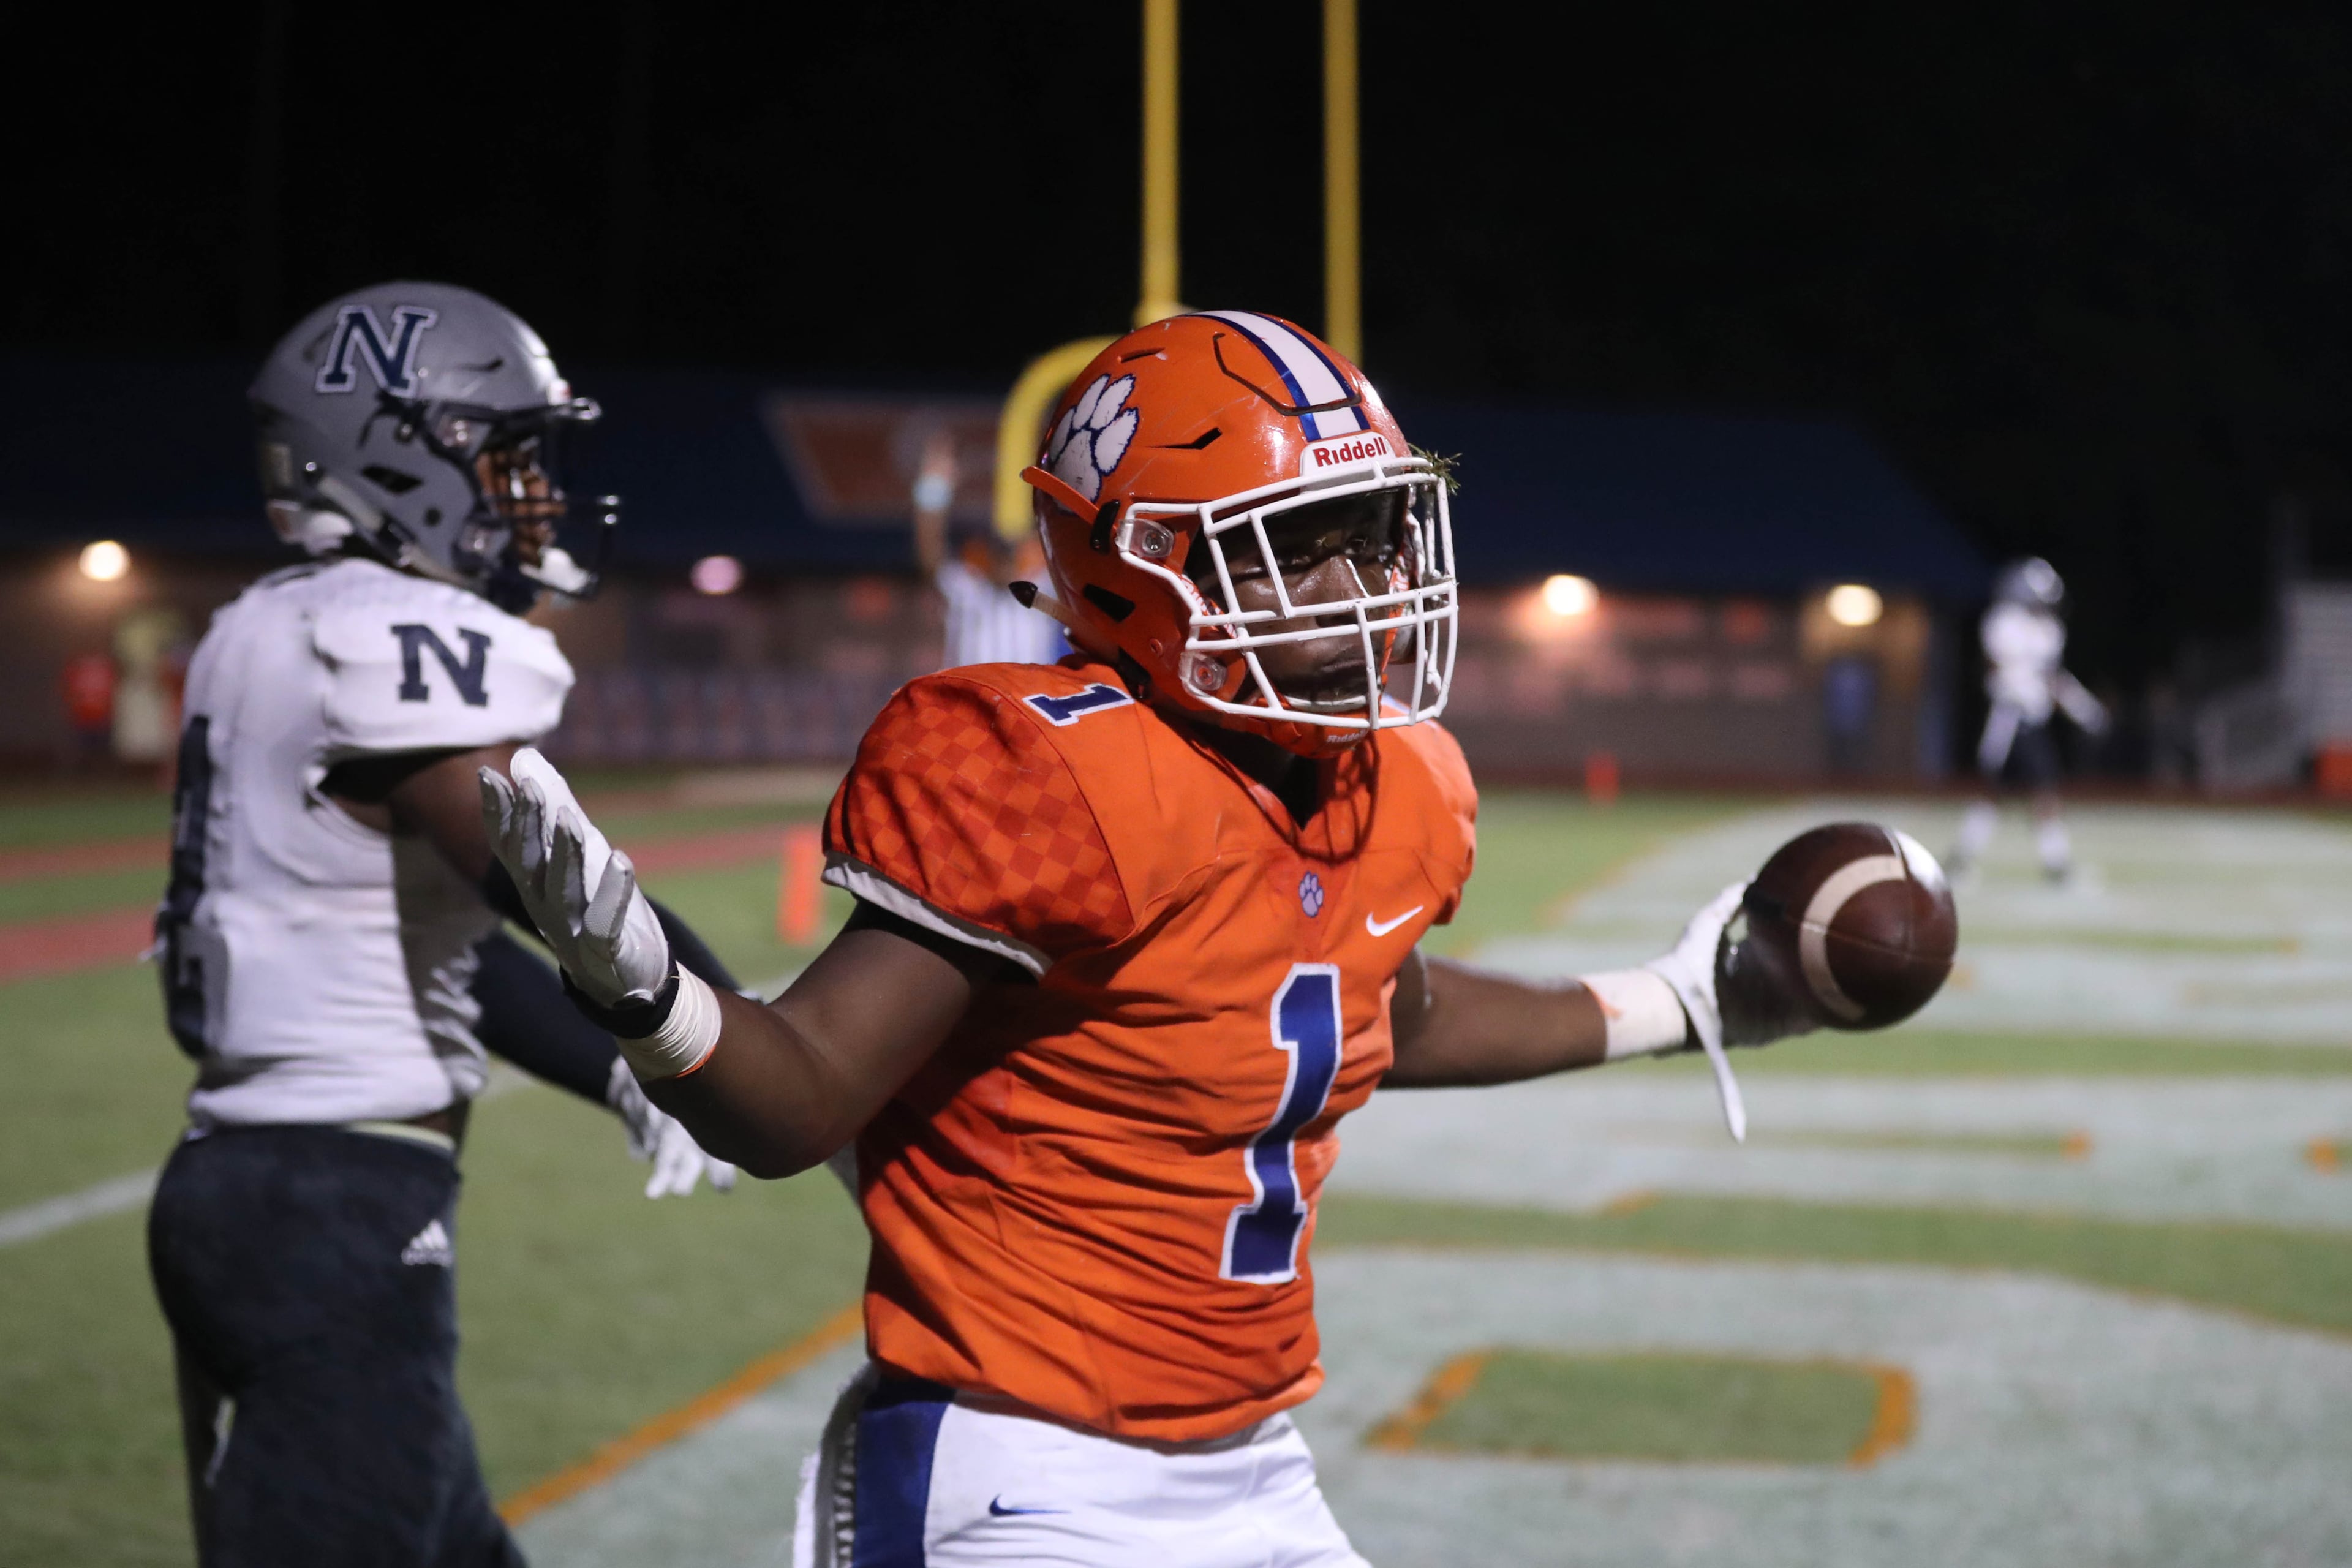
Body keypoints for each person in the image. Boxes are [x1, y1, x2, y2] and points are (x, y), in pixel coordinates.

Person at [481, 312, 1820, 1567]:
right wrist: (648, 988)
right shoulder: (1051, 772)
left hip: (1258, 1460)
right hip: (1026, 1471)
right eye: (1296, 545)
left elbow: (1383, 1012)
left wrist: (1675, 998)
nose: (1361, 589)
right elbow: (802, 1098)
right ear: (1132, 571)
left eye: (1371, 530)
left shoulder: (1396, 782)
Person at [146, 282, 742, 1567]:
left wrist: (622, 1071)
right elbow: (543, 886)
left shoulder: (269, 623)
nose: (535, 494)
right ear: (400, 455)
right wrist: (736, 1044)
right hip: (333, 1211)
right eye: (509, 456)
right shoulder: (390, 634)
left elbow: (460, 948)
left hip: (266, 1187)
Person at [1948, 556, 2108, 881]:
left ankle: (1962, 860)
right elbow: (1998, 671)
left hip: (2030, 720)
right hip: (2008, 719)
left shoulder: (2049, 630)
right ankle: (2054, 865)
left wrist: (2083, 709)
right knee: (2028, 789)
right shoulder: (2003, 623)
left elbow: (2052, 678)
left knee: (2002, 792)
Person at [910, 428, 1068, 669]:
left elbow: (1064, 538)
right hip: (972, 701)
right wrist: (934, 487)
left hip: (1025, 701)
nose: (1004, 563)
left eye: (1009, 554)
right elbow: (930, 551)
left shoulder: (1041, 589)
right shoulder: (967, 589)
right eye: (998, 555)